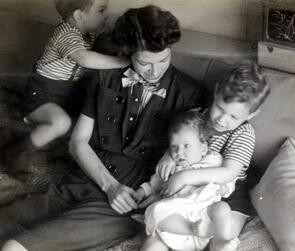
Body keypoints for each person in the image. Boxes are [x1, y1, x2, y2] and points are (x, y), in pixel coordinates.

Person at [1, 5, 207, 251]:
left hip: (126, 203)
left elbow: (201, 151)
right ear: (128, 55)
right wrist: (110, 185)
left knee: (16, 247)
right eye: (143, 63)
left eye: (163, 59)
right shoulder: (105, 77)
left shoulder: (190, 93)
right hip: (84, 179)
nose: (155, 71)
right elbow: (77, 142)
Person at [145, 61, 271, 251]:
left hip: (226, 196)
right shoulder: (194, 117)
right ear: (216, 91)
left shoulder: (243, 133)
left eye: (233, 117)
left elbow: (228, 173)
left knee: (223, 228)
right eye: (220, 109)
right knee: (153, 241)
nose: (222, 119)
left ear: (251, 114)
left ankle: (219, 243)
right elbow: (178, 142)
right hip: (187, 195)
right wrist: (169, 156)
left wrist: (184, 176)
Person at [3, 0, 129, 166]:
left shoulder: (88, 32)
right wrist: (122, 62)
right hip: (41, 97)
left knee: (86, 120)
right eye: (101, 10)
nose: (106, 16)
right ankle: (14, 155)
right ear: (79, 16)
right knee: (61, 123)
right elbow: (84, 58)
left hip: (65, 95)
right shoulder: (65, 33)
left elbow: (106, 37)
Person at [136, 110, 237, 251]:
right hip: (175, 220)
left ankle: (221, 241)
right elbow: (155, 184)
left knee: (222, 208)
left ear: (203, 148)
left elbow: (228, 179)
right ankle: (190, 228)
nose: (179, 152)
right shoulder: (171, 167)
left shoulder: (214, 161)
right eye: (174, 147)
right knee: (155, 212)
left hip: (203, 213)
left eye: (186, 146)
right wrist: (142, 191)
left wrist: (224, 188)